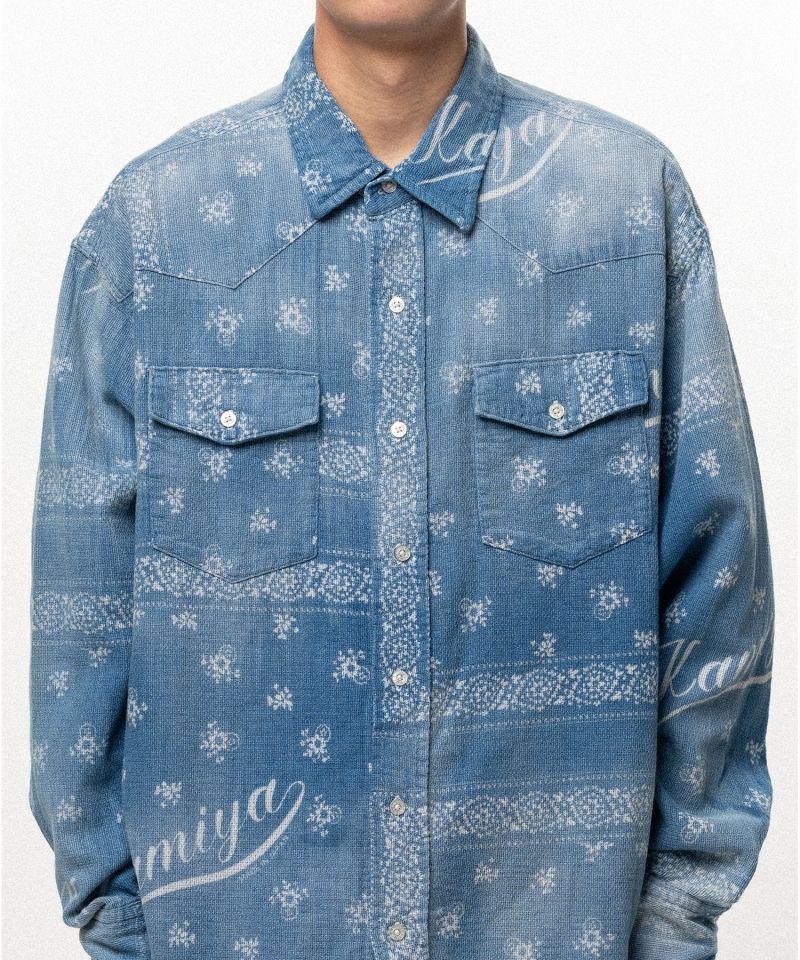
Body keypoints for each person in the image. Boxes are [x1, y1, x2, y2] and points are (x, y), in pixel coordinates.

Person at [28, 2, 775, 959]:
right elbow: (81, 617)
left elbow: (719, 588)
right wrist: (123, 930)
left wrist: (672, 922)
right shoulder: (155, 229)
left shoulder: (626, 209)